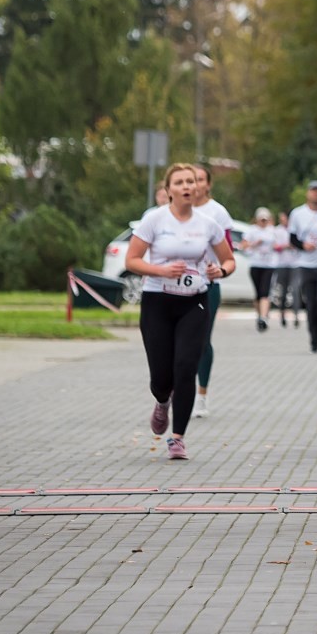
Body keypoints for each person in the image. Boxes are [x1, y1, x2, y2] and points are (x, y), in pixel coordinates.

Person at [125, 163, 236, 461]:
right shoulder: (154, 220)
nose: (187, 186)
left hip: (194, 302)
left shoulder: (208, 224)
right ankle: (162, 402)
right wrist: (161, 270)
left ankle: (178, 438)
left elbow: (229, 260)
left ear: (198, 188)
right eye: (180, 182)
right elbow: (132, 260)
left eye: (191, 182)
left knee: (186, 367)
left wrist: (220, 271)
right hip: (157, 302)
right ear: (169, 189)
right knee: (162, 377)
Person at [192, 163, 235, 418]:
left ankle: (201, 395)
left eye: (199, 179)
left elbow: (227, 252)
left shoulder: (217, 212)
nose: (194, 185)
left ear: (208, 184)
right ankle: (177, 391)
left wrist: (219, 269)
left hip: (206, 285)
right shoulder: (174, 210)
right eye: (189, 179)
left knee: (201, 340)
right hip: (174, 286)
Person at [288, 180, 317, 352]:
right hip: (306, 264)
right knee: (311, 304)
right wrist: (303, 246)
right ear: (308, 194)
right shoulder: (297, 214)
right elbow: (292, 238)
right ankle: (314, 339)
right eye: (313, 191)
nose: (316, 194)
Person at [241, 207, 278, 331]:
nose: (263, 222)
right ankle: (260, 315)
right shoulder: (252, 230)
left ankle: (263, 317)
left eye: (265, 220)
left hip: (269, 265)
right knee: (258, 293)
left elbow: (278, 244)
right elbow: (243, 245)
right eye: (261, 220)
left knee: (265, 291)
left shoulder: (272, 231)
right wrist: (255, 244)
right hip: (255, 264)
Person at [272, 211, 298, 328]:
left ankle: (296, 315)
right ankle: (282, 315)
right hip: (282, 263)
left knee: (295, 290)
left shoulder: (295, 229)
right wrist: (285, 246)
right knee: (283, 290)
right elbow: (274, 246)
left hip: (295, 264)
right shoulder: (277, 230)